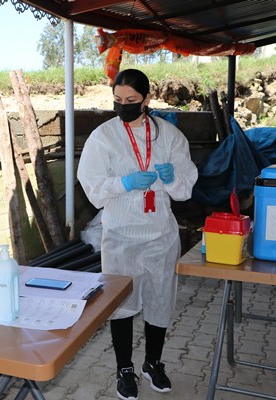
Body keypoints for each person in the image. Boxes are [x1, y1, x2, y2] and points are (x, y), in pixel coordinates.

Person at [77, 69, 198, 400]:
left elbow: (185, 188)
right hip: (119, 234)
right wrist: (124, 183)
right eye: (117, 100)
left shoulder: (169, 136)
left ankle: (153, 363)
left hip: (160, 233)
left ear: (146, 99)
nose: (123, 106)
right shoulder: (103, 137)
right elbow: (92, 185)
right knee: (120, 302)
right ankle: (124, 369)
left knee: (161, 298)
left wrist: (172, 179)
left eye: (131, 100)